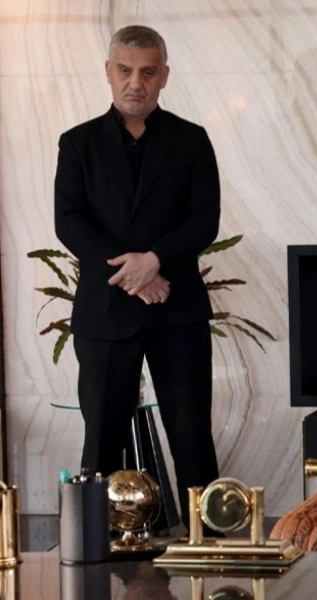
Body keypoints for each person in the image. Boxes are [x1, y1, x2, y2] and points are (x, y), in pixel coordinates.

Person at [54, 25, 220, 524]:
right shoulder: (77, 143)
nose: (135, 83)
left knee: (192, 438)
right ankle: (95, 549)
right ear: (109, 72)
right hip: (105, 312)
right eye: (125, 71)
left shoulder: (192, 140)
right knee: (102, 439)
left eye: (147, 73)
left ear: (164, 76)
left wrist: (155, 260)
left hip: (178, 309)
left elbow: (205, 220)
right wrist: (135, 273)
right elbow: (69, 222)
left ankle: (207, 546)